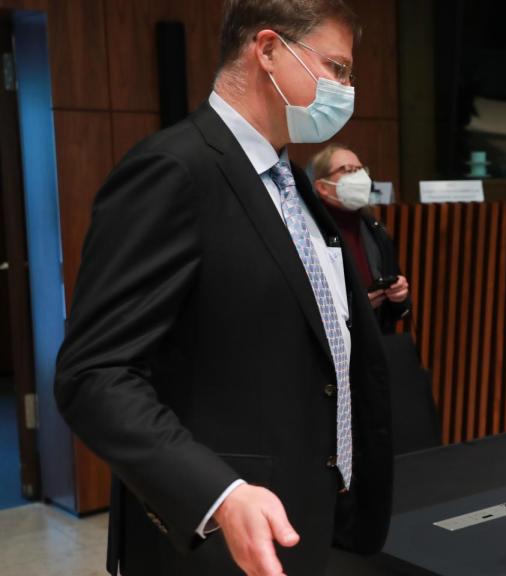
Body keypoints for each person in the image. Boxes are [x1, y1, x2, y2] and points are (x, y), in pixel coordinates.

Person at [53, 1, 393, 575]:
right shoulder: (173, 170)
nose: (345, 89)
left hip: (307, 523)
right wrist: (218, 495)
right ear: (266, 50)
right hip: (213, 542)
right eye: (336, 68)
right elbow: (95, 375)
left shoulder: (295, 187)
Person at [310, 144, 411, 333]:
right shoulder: (311, 233)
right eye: (348, 170)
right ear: (322, 187)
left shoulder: (374, 228)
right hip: (335, 349)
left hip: (375, 341)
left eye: (360, 170)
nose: (358, 177)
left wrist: (399, 296)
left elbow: (397, 311)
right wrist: (355, 308)